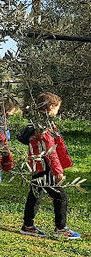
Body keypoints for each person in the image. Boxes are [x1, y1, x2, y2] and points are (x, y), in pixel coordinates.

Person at [18, 93, 81, 239]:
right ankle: (61, 228)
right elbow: (49, 149)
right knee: (60, 196)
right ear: (51, 106)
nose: (57, 111)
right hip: (46, 165)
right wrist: (58, 171)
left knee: (35, 194)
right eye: (57, 108)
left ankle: (28, 226)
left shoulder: (34, 121)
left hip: (37, 164)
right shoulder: (44, 124)